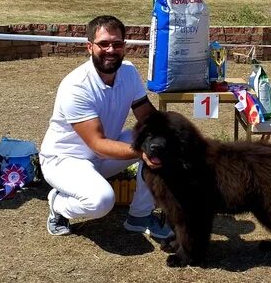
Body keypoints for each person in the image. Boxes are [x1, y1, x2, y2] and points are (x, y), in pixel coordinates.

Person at [39, 15, 173, 239]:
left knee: (159, 141)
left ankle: (139, 217)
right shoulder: (76, 86)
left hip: (103, 156)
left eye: (117, 44)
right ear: (89, 47)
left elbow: (148, 117)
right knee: (102, 201)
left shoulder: (128, 72)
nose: (111, 50)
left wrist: (174, 137)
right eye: (103, 44)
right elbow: (97, 144)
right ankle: (58, 203)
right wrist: (143, 150)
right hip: (65, 161)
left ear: (124, 47)